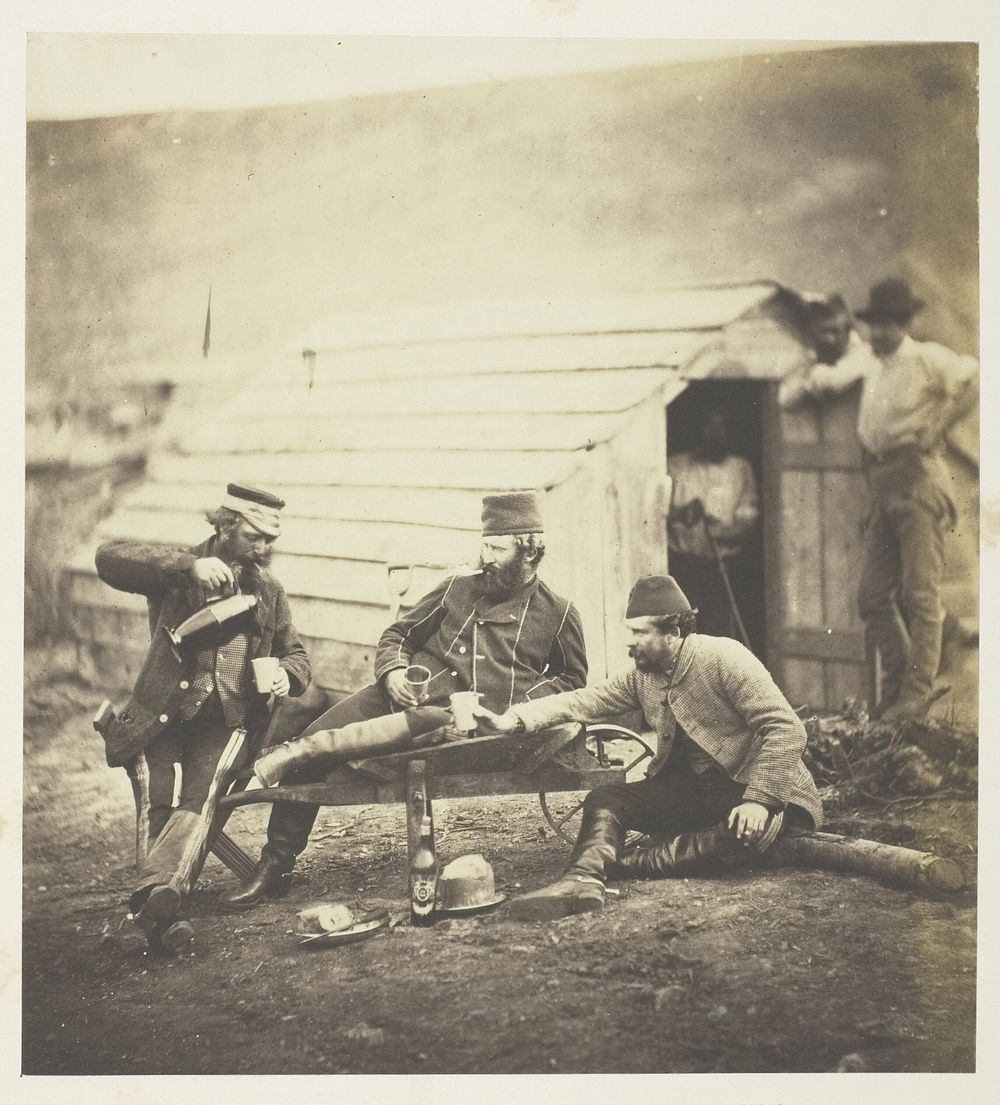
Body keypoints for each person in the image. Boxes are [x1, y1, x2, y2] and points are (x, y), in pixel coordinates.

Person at [223, 490, 588, 908]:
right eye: (484, 544)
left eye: (497, 548)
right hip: (396, 698)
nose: (485, 556)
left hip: (463, 726)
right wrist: (394, 671)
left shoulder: (558, 612)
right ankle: (276, 867)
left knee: (332, 753)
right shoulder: (457, 588)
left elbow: (571, 678)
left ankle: (276, 819)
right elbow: (399, 634)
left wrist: (516, 707)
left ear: (529, 551)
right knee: (312, 743)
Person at [474, 574, 822, 921]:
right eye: (630, 632)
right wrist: (516, 718)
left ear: (673, 633)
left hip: (756, 790)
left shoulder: (725, 658)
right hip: (698, 792)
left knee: (737, 837)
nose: (631, 643)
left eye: (640, 633)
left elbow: (786, 729)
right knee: (605, 799)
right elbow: (586, 700)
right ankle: (581, 880)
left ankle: (614, 865)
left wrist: (759, 801)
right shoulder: (644, 675)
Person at [94, 483, 311, 952]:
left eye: (270, 540)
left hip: (228, 725)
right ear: (227, 526)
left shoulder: (269, 590)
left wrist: (286, 679)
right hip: (163, 719)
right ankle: (160, 906)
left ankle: (157, 902)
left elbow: (297, 656)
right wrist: (187, 567)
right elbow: (107, 559)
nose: (264, 548)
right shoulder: (177, 571)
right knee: (161, 803)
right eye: (255, 537)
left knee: (201, 797)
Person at [779, 279, 979, 721]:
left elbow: (976, 377)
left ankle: (916, 691)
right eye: (876, 324)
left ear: (906, 324)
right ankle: (896, 686)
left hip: (916, 478)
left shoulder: (926, 357)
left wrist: (940, 425)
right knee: (872, 596)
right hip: (881, 480)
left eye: (890, 324)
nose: (881, 332)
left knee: (919, 594)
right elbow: (824, 380)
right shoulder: (871, 361)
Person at [667, 406, 760, 644]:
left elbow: (748, 519)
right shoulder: (675, 466)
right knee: (684, 639)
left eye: (722, 427)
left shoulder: (740, 468)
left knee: (720, 639)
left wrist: (720, 531)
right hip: (683, 568)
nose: (715, 434)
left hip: (723, 569)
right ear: (699, 429)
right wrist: (682, 513)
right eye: (710, 426)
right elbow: (653, 513)